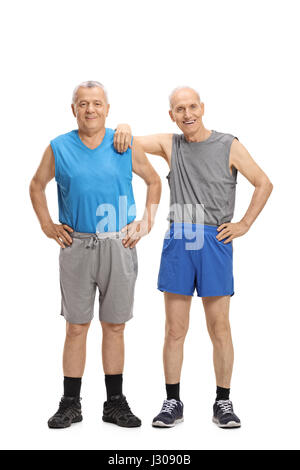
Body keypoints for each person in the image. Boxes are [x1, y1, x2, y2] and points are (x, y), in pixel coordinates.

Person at [113, 86, 273, 428]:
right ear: (172, 115)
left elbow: (263, 183)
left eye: (192, 107)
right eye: (179, 109)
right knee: (175, 329)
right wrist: (123, 126)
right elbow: (129, 141)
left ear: (202, 107)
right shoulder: (171, 144)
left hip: (215, 239)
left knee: (220, 328)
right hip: (180, 238)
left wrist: (244, 223)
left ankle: (223, 401)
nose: (187, 114)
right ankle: (172, 401)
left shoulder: (228, 144)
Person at [29, 81, 161, 429]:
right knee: (76, 327)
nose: (90, 109)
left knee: (115, 326)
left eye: (97, 103)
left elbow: (154, 181)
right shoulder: (58, 147)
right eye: (83, 103)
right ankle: (70, 403)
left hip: (119, 244)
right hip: (77, 246)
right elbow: (36, 185)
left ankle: (114, 403)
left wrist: (146, 221)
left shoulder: (123, 142)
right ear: (73, 109)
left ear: (107, 108)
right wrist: (47, 224)